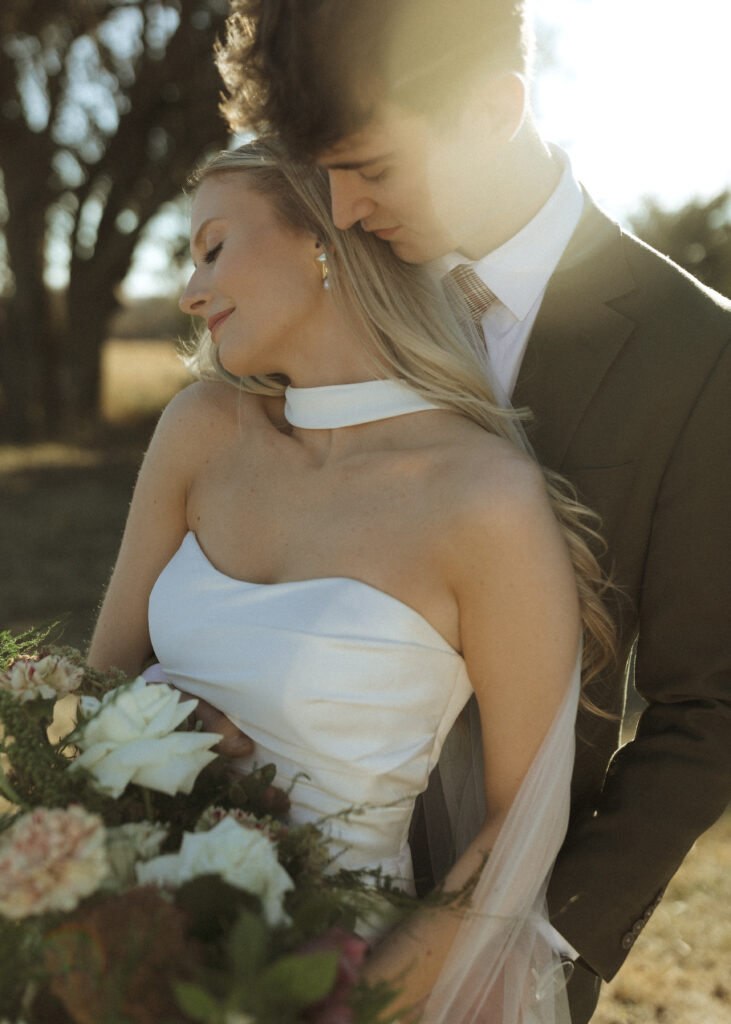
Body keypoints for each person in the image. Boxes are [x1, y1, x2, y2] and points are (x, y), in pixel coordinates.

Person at [210, 2, 731, 1021]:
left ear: (496, 109)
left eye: (373, 167)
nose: (343, 209)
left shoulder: (696, 356)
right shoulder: (323, 273)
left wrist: (544, 945)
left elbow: (705, 712)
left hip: (502, 956)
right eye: (322, 170)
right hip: (236, 910)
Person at [88, 137, 616, 1022]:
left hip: (348, 964)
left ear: (321, 237)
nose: (190, 292)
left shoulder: (485, 500)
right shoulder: (202, 429)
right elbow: (96, 686)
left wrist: (340, 1000)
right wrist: (152, 717)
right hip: (133, 942)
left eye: (213, 247)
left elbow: (520, 827)